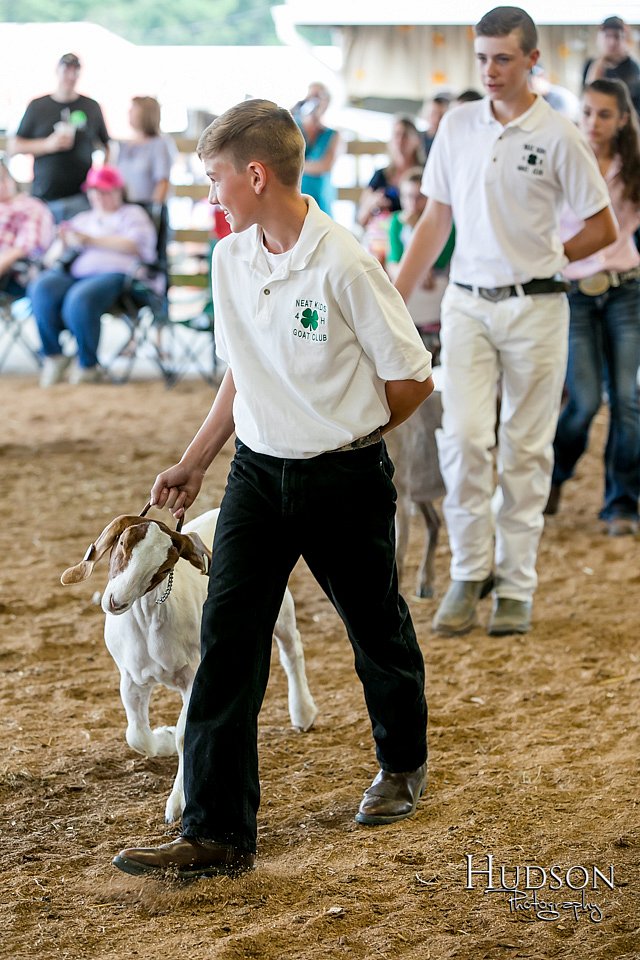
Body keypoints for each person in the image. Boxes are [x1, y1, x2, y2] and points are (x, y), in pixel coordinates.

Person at [111, 98, 433, 880]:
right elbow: (241, 372)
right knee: (229, 640)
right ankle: (217, 831)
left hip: (343, 472)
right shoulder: (229, 259)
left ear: (255, 175)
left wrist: (341, 432)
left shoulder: (346, 262)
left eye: (214, 178)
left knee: (374, 626)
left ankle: (402, 764)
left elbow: (412, 378)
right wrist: (195, 459)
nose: (208, 196)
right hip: (255, 473)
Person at [395, 5, 617, 638]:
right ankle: (469, 572)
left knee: (524, 447)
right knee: (464, 439)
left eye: (503, 59)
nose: (490, 70)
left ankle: (515, 583)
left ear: (531, 61)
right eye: (482, 58)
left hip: (538, 307)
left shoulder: (560, 136)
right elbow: (434, 222)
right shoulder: (459, 125)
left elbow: (599, 226)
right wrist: (392, 302)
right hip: (466, 303)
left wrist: (551, 259)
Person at [546, 80, 640, 536]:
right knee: (583, 400)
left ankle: (621, 502)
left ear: (623, 118)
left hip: (627, 288)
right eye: (587, 113)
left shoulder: (635, 165)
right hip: (575, 292)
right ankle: (555, 474)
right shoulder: (564, 159)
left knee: (628, 398)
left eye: (604, 114)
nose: (593, 123)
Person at [29, 165, 158, 387]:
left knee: (80, 296)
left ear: (119, 191)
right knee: (42, 287)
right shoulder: (82, 218)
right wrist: (62, 242)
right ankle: (54, 356)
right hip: (76, 274)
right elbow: (50, 259)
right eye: (94, 191)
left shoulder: (132, 214)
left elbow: (135, 245)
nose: (99, 196)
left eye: (105, 191)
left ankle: (87, 364)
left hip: (120, 277)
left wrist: (90, 240)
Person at [11, 54, 110, 225]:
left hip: (81, 197)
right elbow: (15, 146)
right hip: (45, 197)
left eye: (75, 71)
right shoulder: (38, 106)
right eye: (66, 70)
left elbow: (108, 145)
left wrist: (101, 178)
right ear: (57, 71)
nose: (70, 76)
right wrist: (47, 145)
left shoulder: (91, 107)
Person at [0, 155, 54, 295]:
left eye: (2, 178)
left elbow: (26, 247)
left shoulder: (30, 206)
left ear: (10, 180)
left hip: (13, 272)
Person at [115, 96, 175, 204]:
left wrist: (153, 210)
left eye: (134, 108)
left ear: (146, 113)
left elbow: (163, 182)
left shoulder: (160, 144)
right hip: (126, 207)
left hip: (148, 207)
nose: (129, 112)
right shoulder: (125, 145)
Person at [293, 82, 341, 215]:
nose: (314, 101)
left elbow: (326, 165)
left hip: (321, 199)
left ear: (327, 102)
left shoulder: (333, 135)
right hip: (295, 198)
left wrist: (293, 165)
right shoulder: (293, 128)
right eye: (311, 96)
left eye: (319, 96)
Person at [583, 17, 640, 116]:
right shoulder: (591, 64)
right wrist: (599, 63)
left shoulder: (633, 68)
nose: (612, 42)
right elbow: (588, 96)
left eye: (617, 37)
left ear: (625, 39)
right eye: (607, 36)